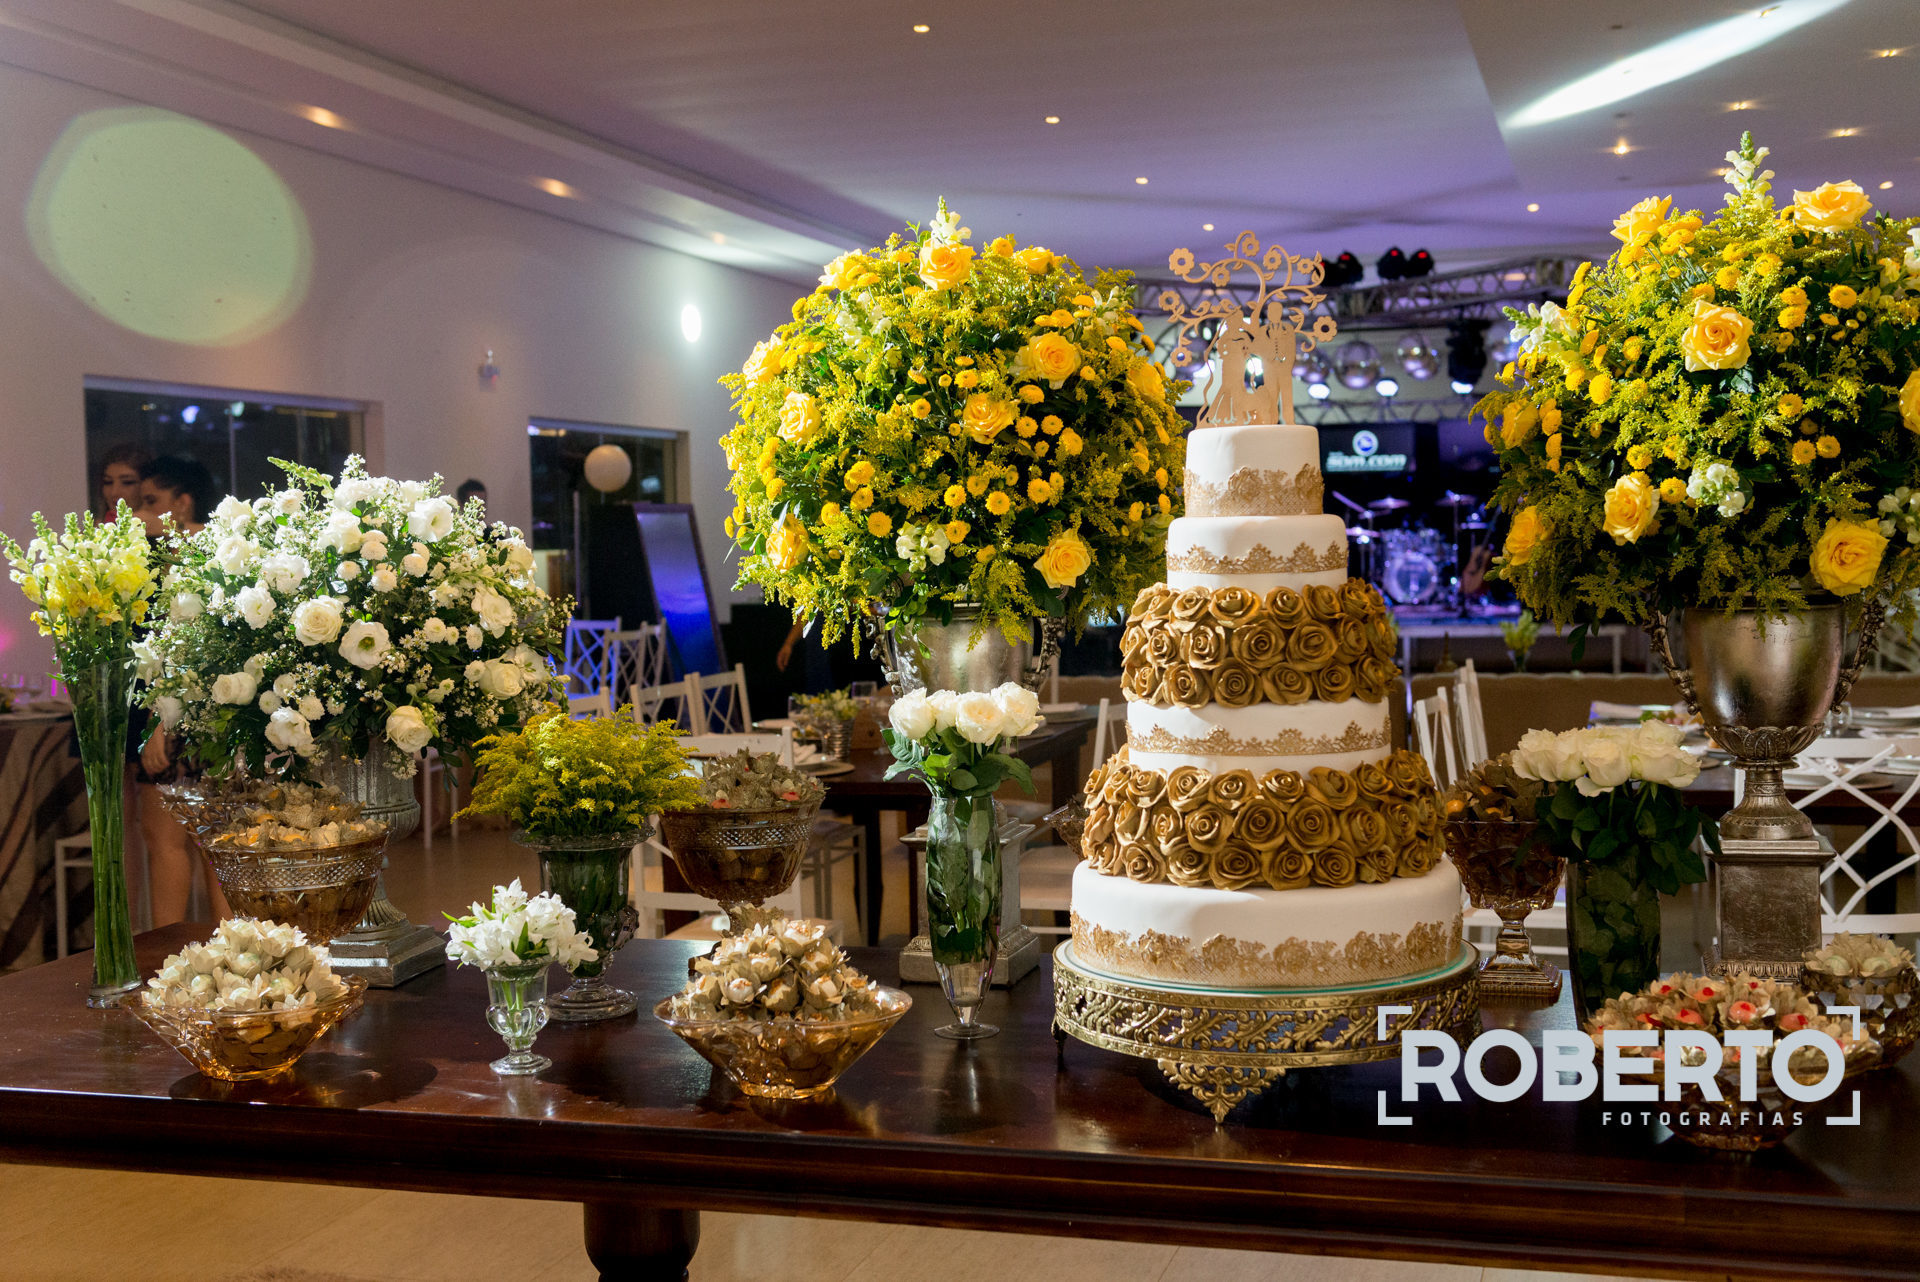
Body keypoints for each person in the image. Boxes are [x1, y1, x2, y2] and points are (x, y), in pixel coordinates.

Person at [130, 455, 229, 926]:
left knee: (170, 841)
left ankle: (168, 952)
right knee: (216, 844)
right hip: (214, 715)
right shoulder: (212, 551)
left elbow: (182, 651)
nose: (141, 510)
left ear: (183, 502)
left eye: (151, 500)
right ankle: (230, 952)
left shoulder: (193, 555)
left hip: (184, 717)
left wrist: (159, 724)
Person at [96, 442, 152, 521]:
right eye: (108, 482)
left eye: (127, 482)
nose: (114, 492)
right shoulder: (97, 527)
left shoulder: (165, 526)